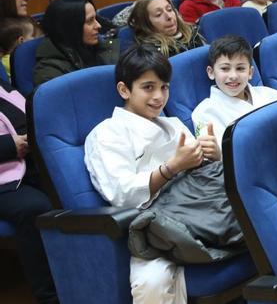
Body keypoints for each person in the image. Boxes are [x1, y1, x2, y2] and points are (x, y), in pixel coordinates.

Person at [84, 46, 220, 304]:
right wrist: (171, 168)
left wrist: (212, 155)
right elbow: (121, 193)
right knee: (152, 284)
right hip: (149, 226)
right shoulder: (107, 134)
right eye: (148, 87)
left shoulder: (173, 124)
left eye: (164, 87)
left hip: (197, 211)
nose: (159, 97)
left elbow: (201, 176)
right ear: (124, 90)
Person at [0, 76, 57, 304]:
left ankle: (87, 277)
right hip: (6, 173)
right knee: (34, 208)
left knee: (71, 184)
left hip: (26, 161)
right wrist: (8, 146)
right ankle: (50, 296)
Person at [191, 36, 277, 141]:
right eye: (225, 68)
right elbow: (215, 152)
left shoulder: (266, 93)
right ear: (211, 72)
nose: (233, 76)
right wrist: (217, 153)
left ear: (250, 72)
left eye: (240, 68)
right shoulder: (204, 112)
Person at [33, 0, 118, 87]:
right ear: (71, 27)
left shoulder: (101, 49)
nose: (98, 25)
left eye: (95, 19)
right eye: (90, 21)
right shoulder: (49, 71)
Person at [128, 0, 205, 58]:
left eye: (169, 9)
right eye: (158, 14)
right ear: (146, 24)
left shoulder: (192, 32)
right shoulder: (149, 53)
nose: (169, 16)